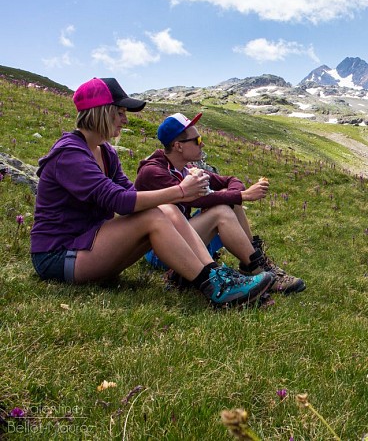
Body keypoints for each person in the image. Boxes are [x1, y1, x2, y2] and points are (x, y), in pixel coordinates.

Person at [30, 78, 274, 307]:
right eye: (120, 113)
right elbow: (118, 202)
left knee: (163, 210)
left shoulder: (106, 152)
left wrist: (177, 195)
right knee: (156, 215)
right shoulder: (70, 154)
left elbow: (128, 193)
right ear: (101, 112)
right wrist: (180, 191)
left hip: (89, 243)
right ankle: (215, 286)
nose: (125, 120)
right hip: (59, 256)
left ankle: (215, 277)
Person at [134, 113, 306, 294]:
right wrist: (242, 195)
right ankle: (257, 268)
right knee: (222, 210)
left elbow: (230, 180)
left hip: (183, 236)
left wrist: (236, 195)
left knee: (229, 199)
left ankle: (254, 262)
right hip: (160, 251)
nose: (202, 144)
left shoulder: (187, 168)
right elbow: (195, 198)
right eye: (197, 140)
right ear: (178, 146)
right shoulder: (153, 172)